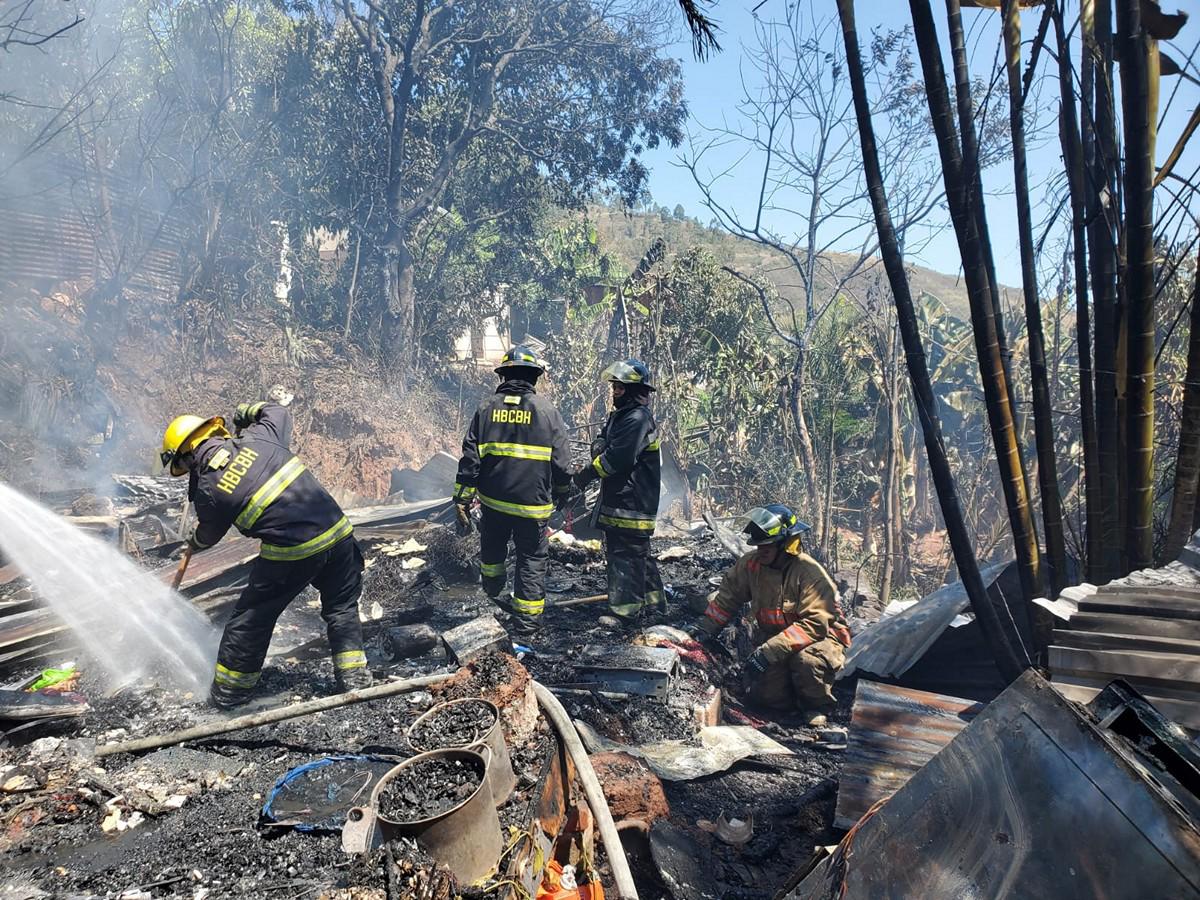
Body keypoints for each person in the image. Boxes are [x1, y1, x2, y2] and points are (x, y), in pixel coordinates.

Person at [160, 388, 370, 709]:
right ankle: (354, 680)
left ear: (187, 457)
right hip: (338, 532)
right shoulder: (261, 438)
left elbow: (209, 535)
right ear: (214, 431)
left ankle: (230, 694)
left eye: (184, 465)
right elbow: (278, 411)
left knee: (251, 619)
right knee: (341, 607)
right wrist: (245, 411)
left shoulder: (208, 490)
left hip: (293, 551)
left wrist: (193, 542)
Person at [688, 504, 851, 727]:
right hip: (778, 639)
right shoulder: (751, 565)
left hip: (819, 640)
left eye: (767, 546)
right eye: (758, 545)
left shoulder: (809, 573)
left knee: (807, 662)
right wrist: (703, 630)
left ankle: (816, 706)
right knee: (765, 698)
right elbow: (727, 600)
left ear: (785, 545)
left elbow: (814, 625)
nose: (760, 550)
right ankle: (792, 696)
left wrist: (768, 652)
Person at [453, 346, 573, 635]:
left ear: (503, 375)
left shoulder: (486, 410)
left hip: (493, 504)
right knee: (531, 559)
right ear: (534, 377)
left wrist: (462, 498)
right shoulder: (547, 412)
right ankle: (527, 623)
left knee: (492, 551)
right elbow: (562, 463)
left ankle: (493, 591)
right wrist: (563, 493)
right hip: (533, 508)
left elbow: (471, 459)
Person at [574, 359, 663, 620]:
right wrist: (600, 447)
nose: (614, 392)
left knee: (624, 556)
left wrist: (585, 475)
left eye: (619, 388)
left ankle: (625, 614)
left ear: (635, 390)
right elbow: (601, 442)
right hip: (624, 500)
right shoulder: (621, 417)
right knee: (640, 556)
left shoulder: (636, 418)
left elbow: (617, 459)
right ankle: (655, 606)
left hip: (631, 503)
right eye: (614, 387)